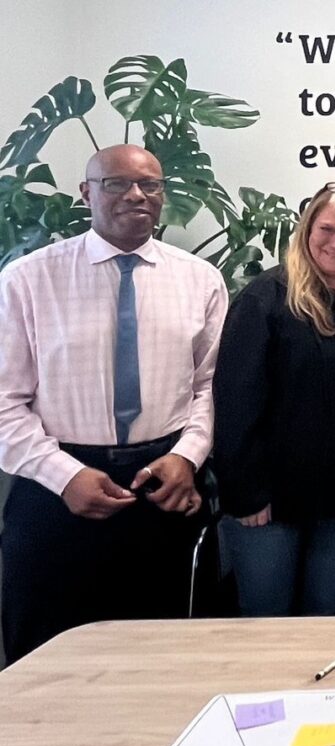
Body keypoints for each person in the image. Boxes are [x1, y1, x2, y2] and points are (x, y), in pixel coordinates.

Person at [0, 145, 226, 660]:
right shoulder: (29, 280)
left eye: (150, 185)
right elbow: (5, 402)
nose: (136, 195)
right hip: (56, 487)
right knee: (46, 654)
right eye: (116, 183)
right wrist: (65, 476)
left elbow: (209, 387)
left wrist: (187, 457)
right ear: (86, 193)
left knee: (161, 653)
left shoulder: (199, 280)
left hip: (163, 484)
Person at [212, 183, 335, 617]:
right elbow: (235, 403)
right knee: (268, 626)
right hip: (270, 505)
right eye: (327, 229)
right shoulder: (266, 298)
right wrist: (246, 495)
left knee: (327, 621)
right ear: (308, 228)